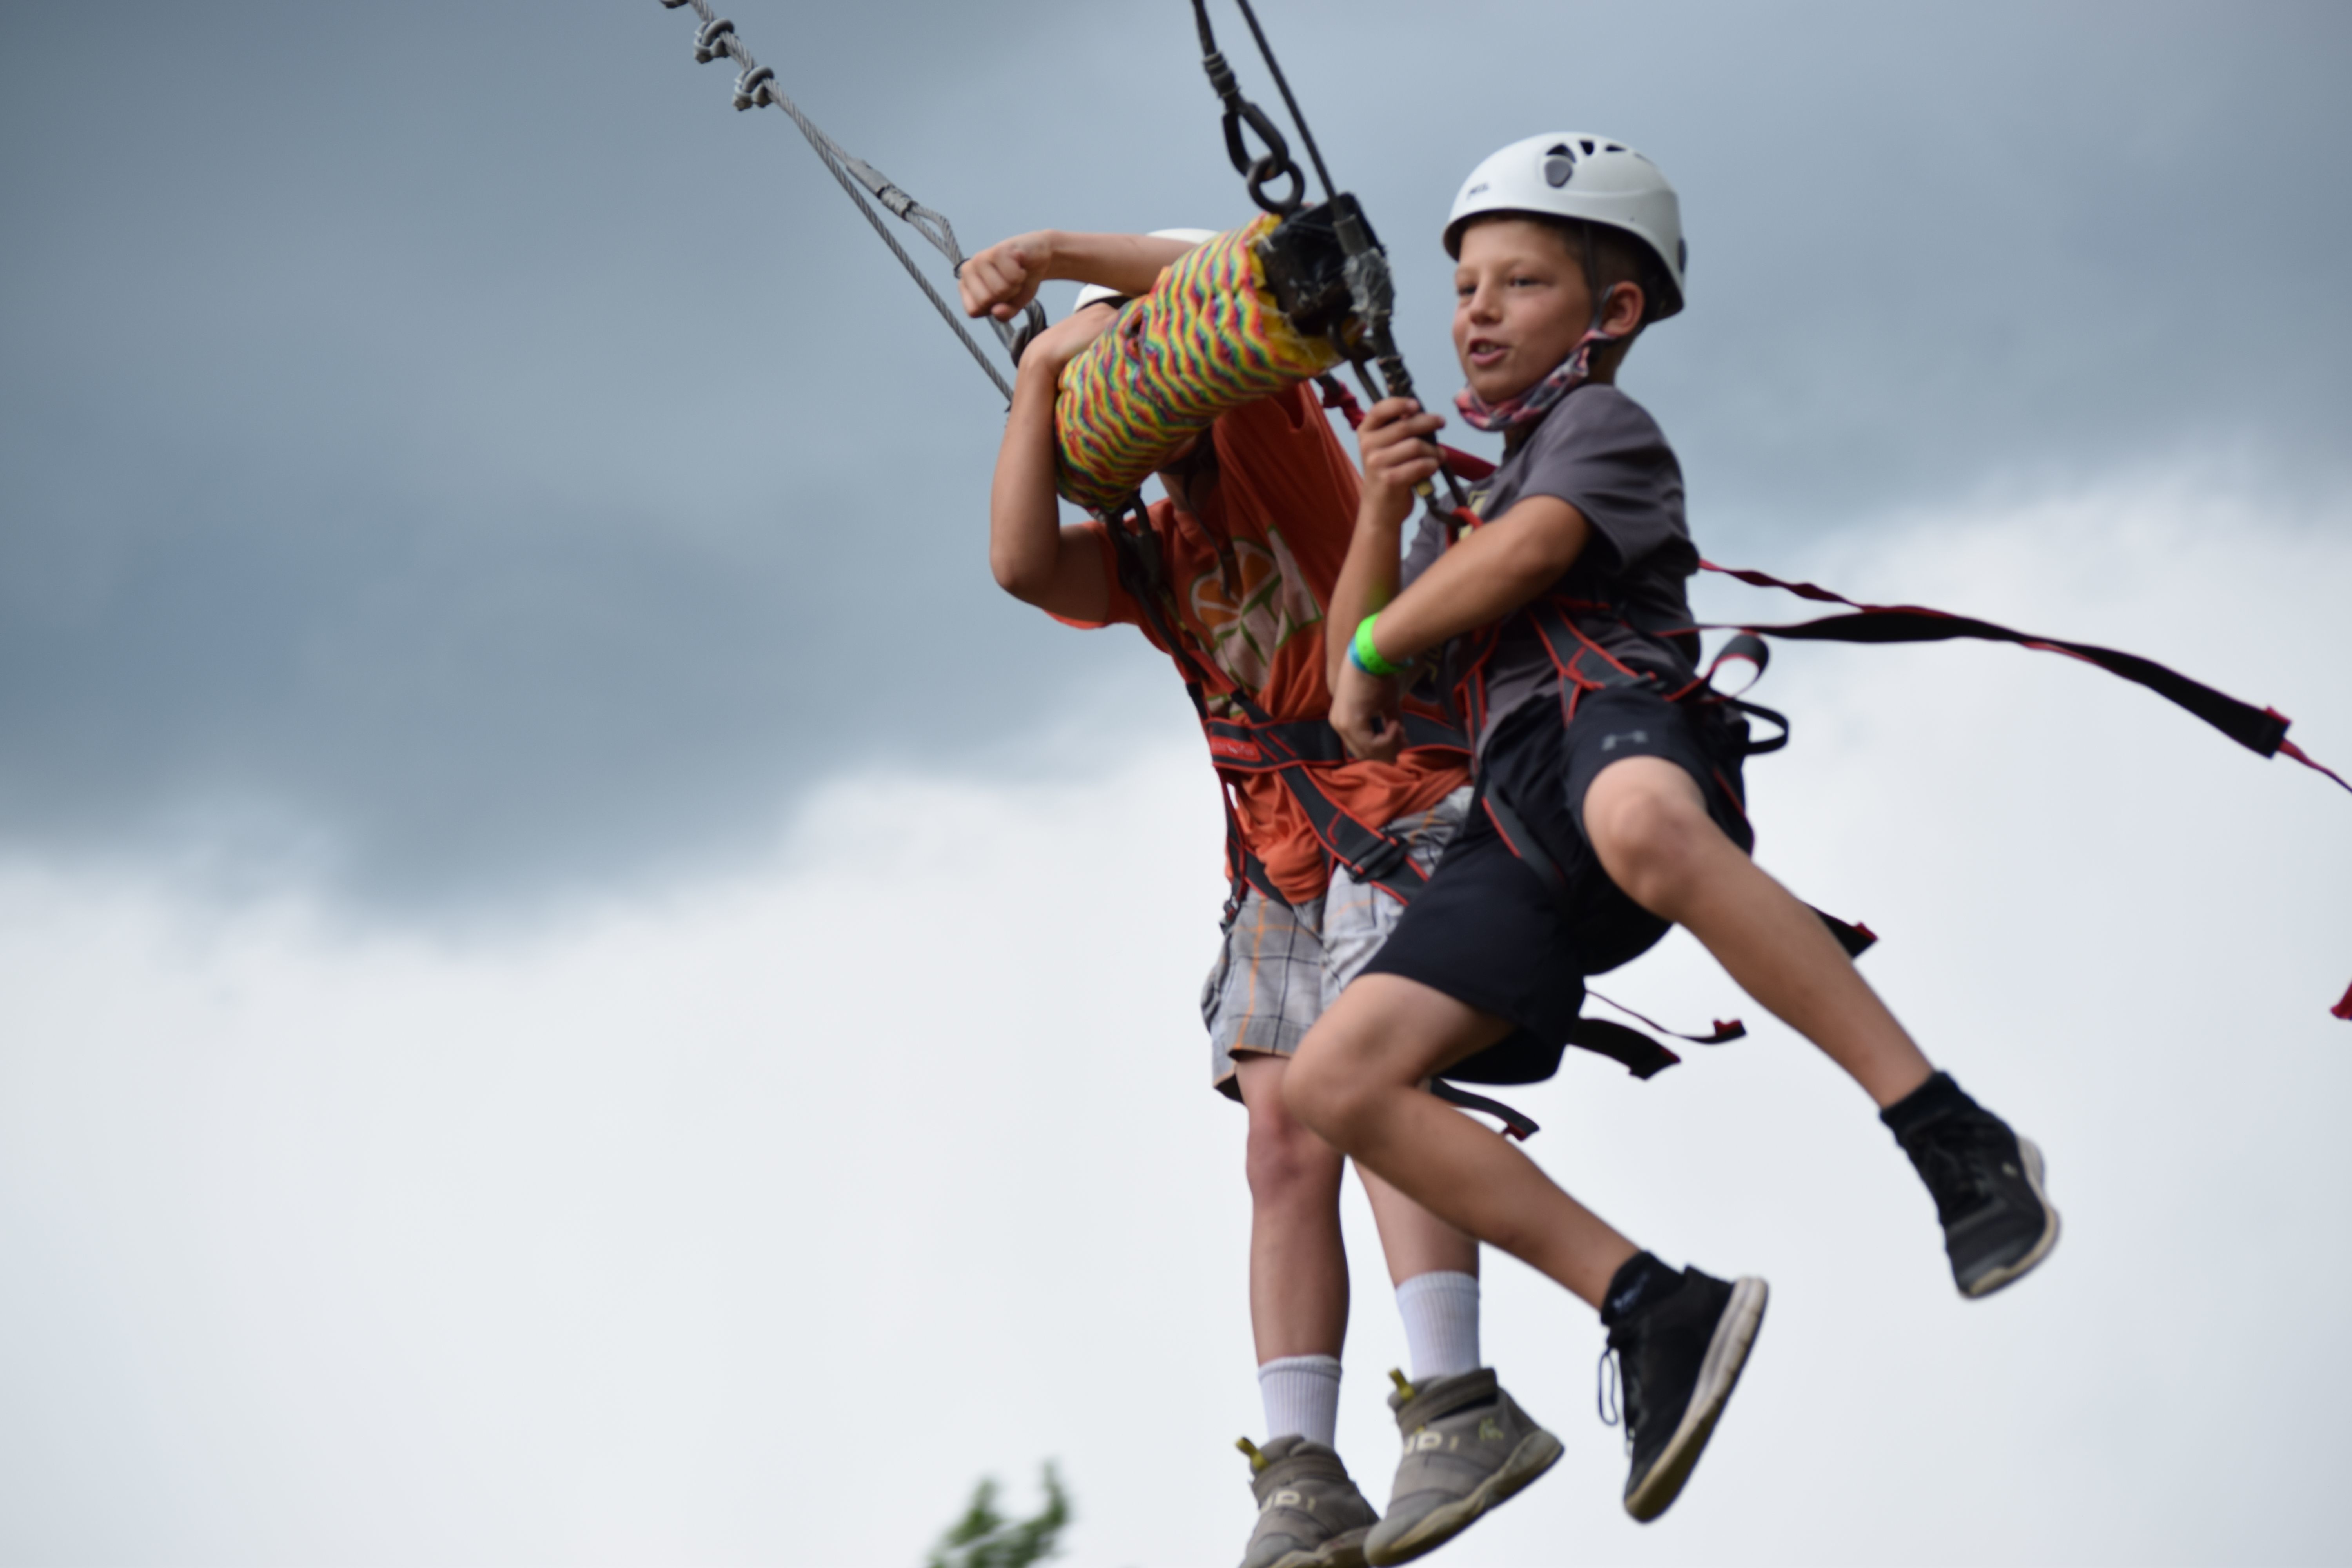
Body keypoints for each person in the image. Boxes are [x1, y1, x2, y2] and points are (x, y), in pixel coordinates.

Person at [1285, 133, 2064, 1526]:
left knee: (1642, 820)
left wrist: (1392, 635)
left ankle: (1950, 1134)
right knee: (1336, 1082)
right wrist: (1386, 508)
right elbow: (1358, 705)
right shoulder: (1455, 510)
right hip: (1515, 827)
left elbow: (1521, 563)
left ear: (1612, 315)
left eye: (1520, 283)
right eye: (1466, 284)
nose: (1475, 311)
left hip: (1618, 729)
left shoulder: (1597, 432)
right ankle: (1650, 1307)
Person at [965, 227, 1564, 1567]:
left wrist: (1064, 258)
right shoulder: (1158, 546)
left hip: (1395, 810)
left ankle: (1458, 1393)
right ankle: (1303, 1466)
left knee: (1385, 1098)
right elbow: (1017, 564)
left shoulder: (1274, 437)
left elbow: (1236, 262)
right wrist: (1033, 389)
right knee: (1281, 1150)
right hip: (1279, 863)